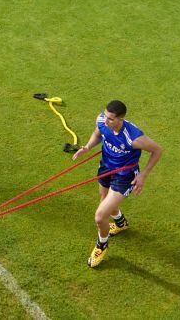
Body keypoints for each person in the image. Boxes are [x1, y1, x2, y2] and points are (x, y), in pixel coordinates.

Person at [72, 100, 163, 268]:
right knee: (104, 198)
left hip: (124, 176)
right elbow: (98, 134)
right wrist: (87, 147)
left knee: (100, 216)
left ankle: (102, 245)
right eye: (105, 116)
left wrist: (143, 175)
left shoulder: (134, 137)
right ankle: (121, 223)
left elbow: (157, 150)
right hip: (106, 167)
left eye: (111, 119)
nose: (106, 121)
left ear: (121, 119)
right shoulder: (102, 120)